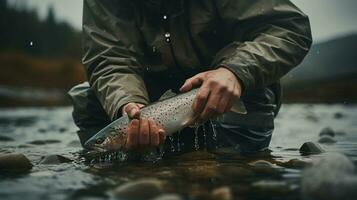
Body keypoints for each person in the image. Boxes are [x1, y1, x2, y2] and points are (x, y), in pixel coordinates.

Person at [69, 0, 312, 155]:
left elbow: (290, 28)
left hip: (227, 90)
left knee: (235, 153)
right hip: (151, 98)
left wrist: (235, 72)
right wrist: (126, 102)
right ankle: (141, 162)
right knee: (88, 99)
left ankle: (233, 169)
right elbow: (109, 57)